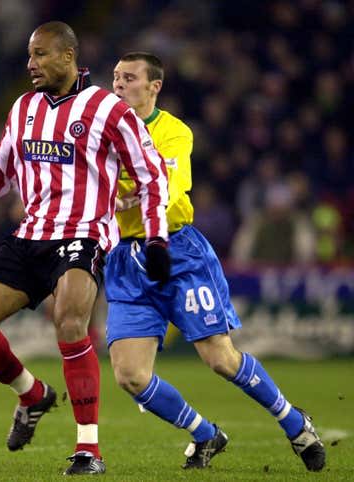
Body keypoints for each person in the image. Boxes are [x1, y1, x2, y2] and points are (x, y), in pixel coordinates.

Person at [0, 22, 170, 475]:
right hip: (29, 236)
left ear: (68, 57)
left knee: (70, 321)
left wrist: (155, 238)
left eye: (41, 55)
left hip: (83, 235)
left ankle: (88, 449)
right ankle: (32, 394)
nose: (31, 64)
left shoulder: (108, 109)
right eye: (29, 55)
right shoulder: (23, 107)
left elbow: (151, 176)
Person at [107, 51, 325, 471]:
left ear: (154, 87)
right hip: (127, 259)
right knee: (130, 376)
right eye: (115, 76)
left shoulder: (173, 132)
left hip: (176, 251)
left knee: (221, 359)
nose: (118, 84)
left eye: (129, 77)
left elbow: (167, 188)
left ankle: (295, 423)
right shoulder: (101, 131)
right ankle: (206, 434)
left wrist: (124, 195)